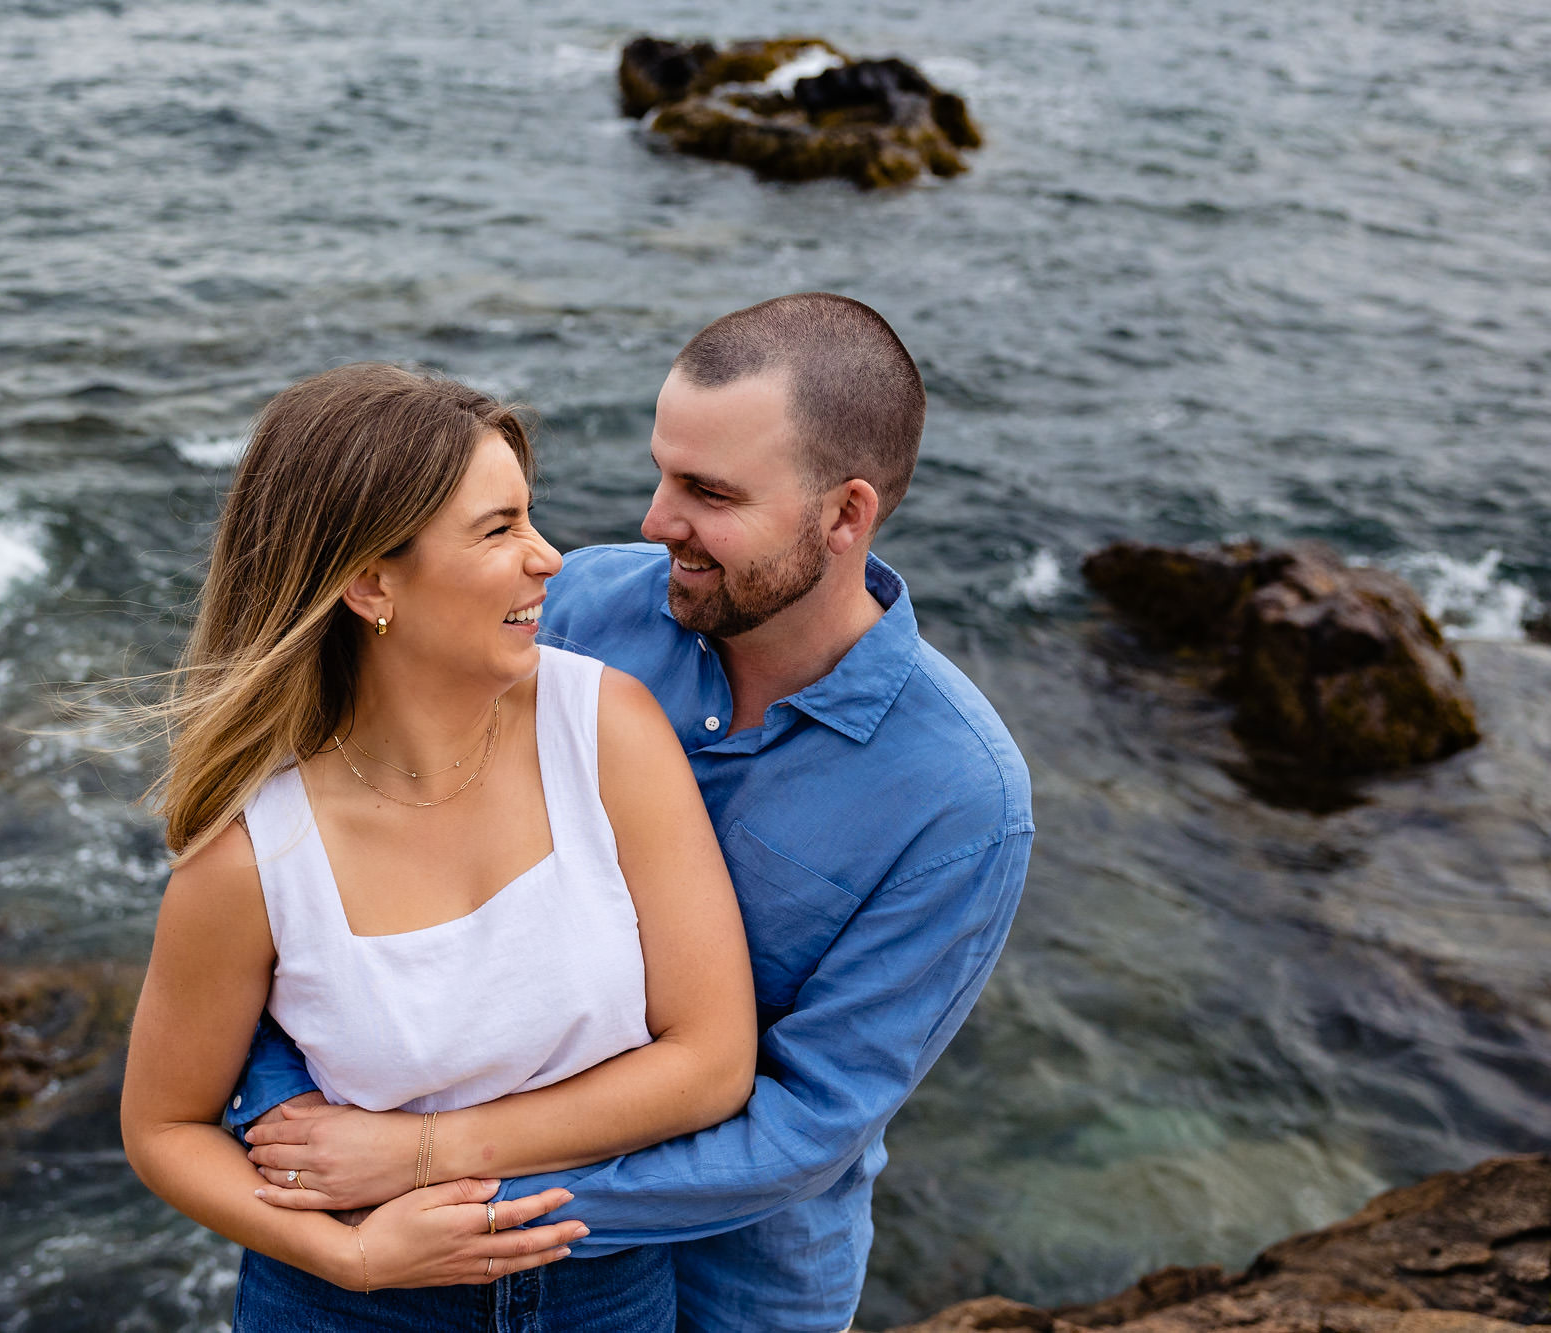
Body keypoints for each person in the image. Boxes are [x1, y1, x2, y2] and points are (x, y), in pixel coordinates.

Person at [233, 294, 1036, 1333]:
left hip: (734, 1291)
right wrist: (291, 1124)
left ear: (843, 515)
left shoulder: (960, 799)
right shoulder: (576, 612)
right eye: (660, 470)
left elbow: (805, 1125)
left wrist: (446, 1186)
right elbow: (313, 865)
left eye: (707, 491)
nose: (654, 520)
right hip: (401, 1262)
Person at [118, 362, 759, 1330]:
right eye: (499, 529)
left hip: (603, 1287)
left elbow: (711, 1061)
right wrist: (353, 1254)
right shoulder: (252, 851)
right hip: (344, 1306)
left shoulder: (606, 728)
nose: (549, 557)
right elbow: (163, 1127)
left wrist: (424, 1151)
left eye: (528, 516)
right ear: (371, 581)